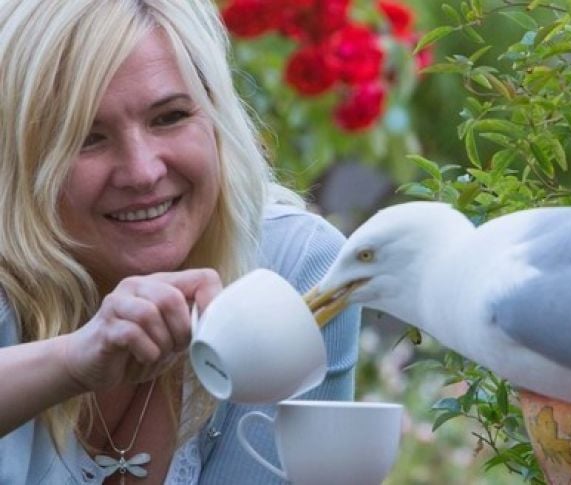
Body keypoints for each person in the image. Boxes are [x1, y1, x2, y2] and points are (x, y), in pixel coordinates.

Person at [0, 1, 361, 483]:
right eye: (87, 137)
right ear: (18, 157)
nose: (143, 171)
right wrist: (70, 362)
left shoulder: (295, 269)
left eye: (168, 117)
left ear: (215, 116)